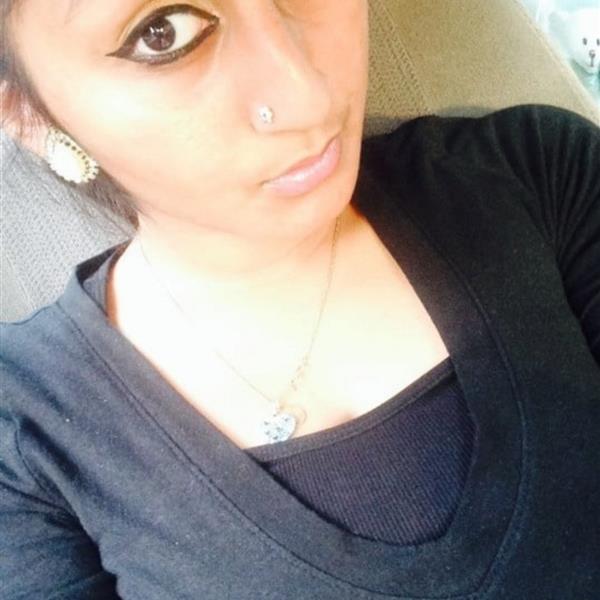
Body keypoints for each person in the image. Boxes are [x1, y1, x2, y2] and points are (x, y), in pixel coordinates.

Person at [1, 1, 598, 598]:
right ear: (27, 114)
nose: (309, 97)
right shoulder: (23, 431)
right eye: (162, 34)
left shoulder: (541, 174)